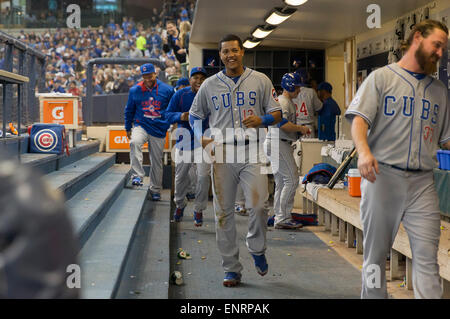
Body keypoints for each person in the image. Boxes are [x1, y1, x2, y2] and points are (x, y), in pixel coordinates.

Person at [345, 19, 449, 299]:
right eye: (436, 45)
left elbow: (446, 139)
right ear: (417, 38)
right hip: (383, 177)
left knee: (428, 260)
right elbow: (358, 121)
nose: (440, 53)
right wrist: (364, 153)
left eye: (443, 48)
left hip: (423, 183)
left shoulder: (440, 91)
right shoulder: (381, 78)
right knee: (376, 257)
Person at [189, 34, 282, 287]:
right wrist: (200, 137)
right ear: (220, 55)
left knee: (259, 206)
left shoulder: (260, 79)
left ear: (242, 52)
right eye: (225, 51)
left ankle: (257, 248)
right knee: (223, 213)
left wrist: (262, 120)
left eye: (234, 50)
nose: (230, 55)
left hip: (252, 150)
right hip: (222, 151)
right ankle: (231, 268)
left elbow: (277, 112)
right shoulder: (209, 84)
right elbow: (195, 115)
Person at [265, 73, 310, 229]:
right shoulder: (283, 102)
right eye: (297, 86)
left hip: (277, 141)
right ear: (290, 86)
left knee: (281, 182)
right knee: (291, 180)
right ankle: (282, 218)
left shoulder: (284, 100)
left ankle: (279, 214)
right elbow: (281, 124)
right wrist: (301, 128)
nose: (298, 90)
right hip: (278, 142)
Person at [166, 67, 210, 226]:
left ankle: (199, 209)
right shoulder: (180, 94)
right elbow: (168, 114)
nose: (198, 81)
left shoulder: (210, 95)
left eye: (202, 78)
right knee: (180, 178)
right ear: (190, 79)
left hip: (203, 142)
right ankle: (180, 204)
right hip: (184, 141)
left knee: (203, 177)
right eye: (195, 77)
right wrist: (180, 116)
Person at [124, 63, 174, 201]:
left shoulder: (167, 90)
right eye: (145, 76)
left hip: (158, 128)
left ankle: (155, 189)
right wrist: (128, 127)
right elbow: (129, 110)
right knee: (134, 142)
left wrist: (168, 124)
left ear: (155, 74)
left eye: (150, 75)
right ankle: (137, 176)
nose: (147, 79)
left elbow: (173, 109)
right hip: (142, 125)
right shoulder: (135, 90)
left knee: (156, 161)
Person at [292, 72, 322, 137]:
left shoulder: (291, 92)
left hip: (295, 126)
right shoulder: (311, 91)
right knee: (309, 147)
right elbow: (319, 107)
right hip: (308, 126)